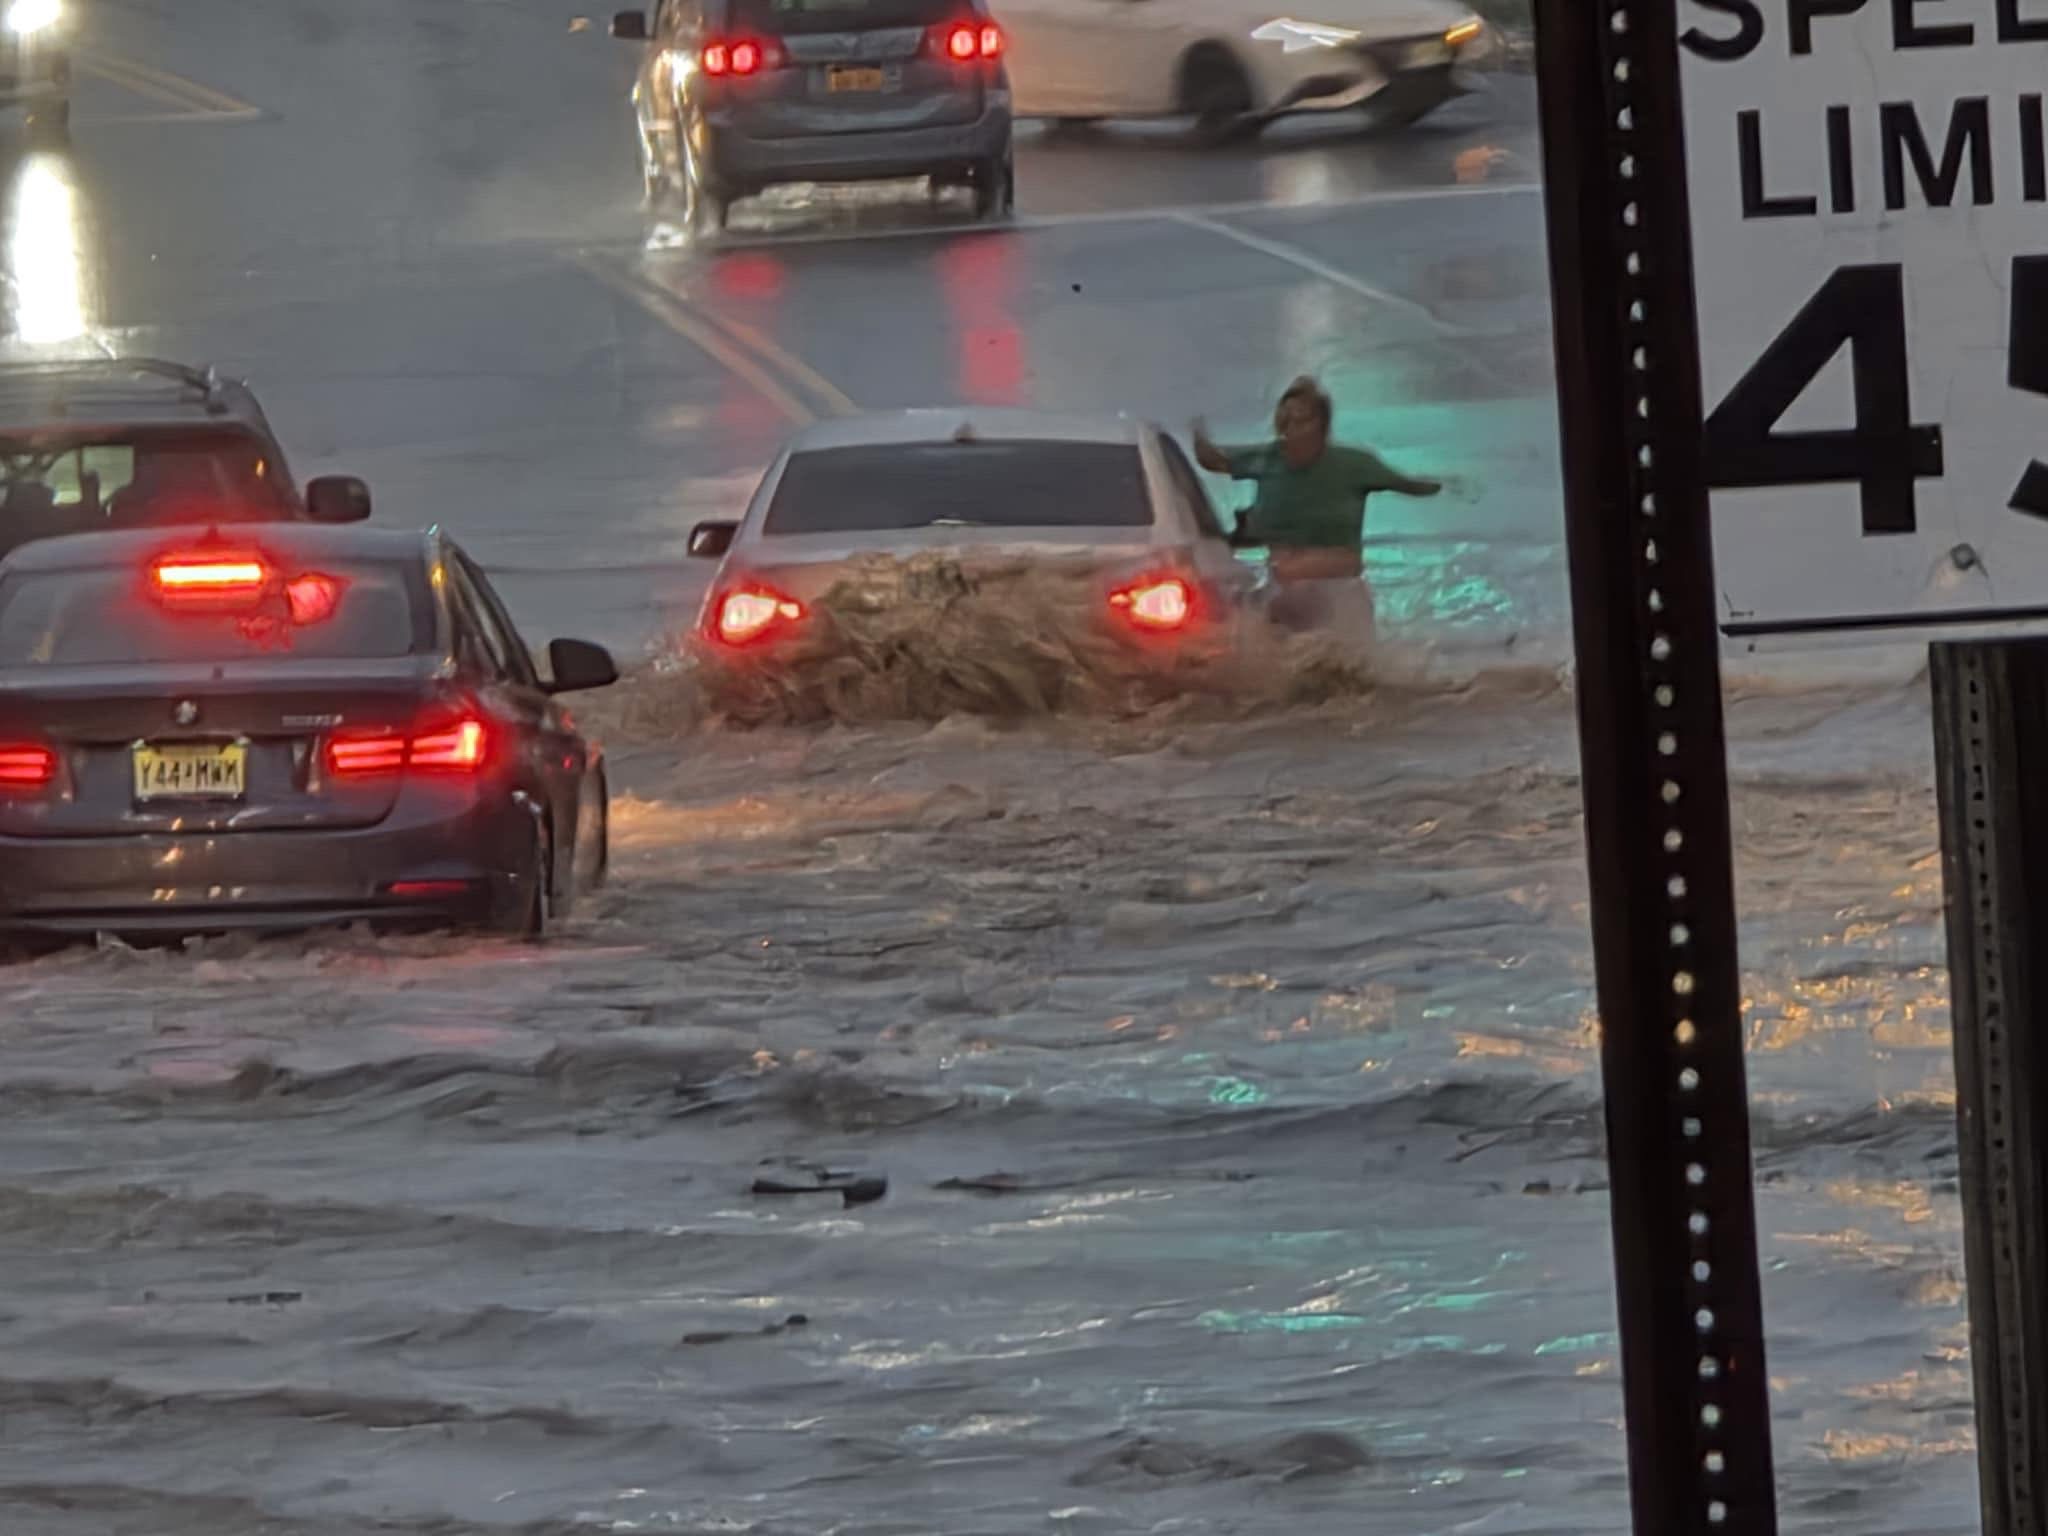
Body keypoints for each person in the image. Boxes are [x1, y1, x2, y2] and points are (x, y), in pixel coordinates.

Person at [1192, 376, 1442, 635]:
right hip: (1283, 585)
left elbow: (1409, 485)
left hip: (1338, 587)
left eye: (1302, 421)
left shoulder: (1354, 465)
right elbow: (1214, 460)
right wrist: (1197, 433)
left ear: (1322, 426)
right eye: (1285, 422)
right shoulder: (1267, 459)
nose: (1292, 430)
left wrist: (1444, 485)